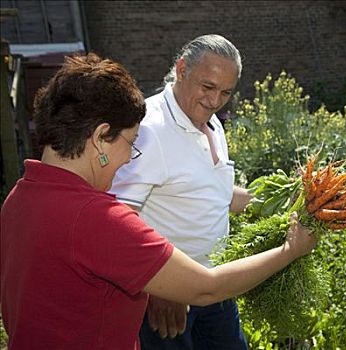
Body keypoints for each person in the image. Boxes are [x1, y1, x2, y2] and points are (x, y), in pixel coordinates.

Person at [0, 53, 317, 350]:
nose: (129, 159)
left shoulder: (18, 198)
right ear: (100, 137)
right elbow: (206, 287)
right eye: (131, 143)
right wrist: (291, 249)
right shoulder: (96, 218)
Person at [109, 34, 253, 349]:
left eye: (225, 92)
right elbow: (118, 217)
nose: (215, 101)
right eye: (208, 87)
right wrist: (155, 286)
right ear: (182, 69)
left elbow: (215, 192)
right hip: (168, 298)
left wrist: (274, 201)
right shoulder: (149, 129)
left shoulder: (212, 123)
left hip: (214, 287)